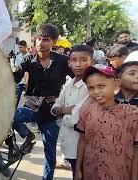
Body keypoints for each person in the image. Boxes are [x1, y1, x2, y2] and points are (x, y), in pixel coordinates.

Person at [13, 24, 73, 180]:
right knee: (12, 118)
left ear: (53, 41)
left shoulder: (63, 61)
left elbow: (78, 80)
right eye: (38, 38)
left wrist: (64, 100)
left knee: (50, 153)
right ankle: (29, 136)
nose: (40, 42)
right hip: (32, 107)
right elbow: (14, 78)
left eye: (45, 39)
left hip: (51, 111)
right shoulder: (28, 60)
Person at [74, 64, 138, 180]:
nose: (96, 92)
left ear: (116, 85)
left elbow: (136, 150)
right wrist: (78, 169)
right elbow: (82, 140)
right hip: (91, 172)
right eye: (91, 88)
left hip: (120, 174)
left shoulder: (131, 115)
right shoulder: (86, 111)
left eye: (102, 86)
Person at [51, 45, 93, 178]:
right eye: (74, 60)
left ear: (91, 61)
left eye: (84, 60)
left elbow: (74, 118)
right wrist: (64, 110)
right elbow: (55, 107)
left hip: (83, 145)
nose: (78, 64)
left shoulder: (91, 85)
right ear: (69, 63)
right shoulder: (70, 82)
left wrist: (61, 111)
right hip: (70, 143)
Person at [11, 40, 31, 106]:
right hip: (19, 80)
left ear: (25, 47)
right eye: (19, 47)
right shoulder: (18, 56)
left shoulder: (30, 57)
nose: (19, 49)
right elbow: (16, 67)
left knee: (28, 101)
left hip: (27, 81)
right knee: (16, 98)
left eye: (21, 47)